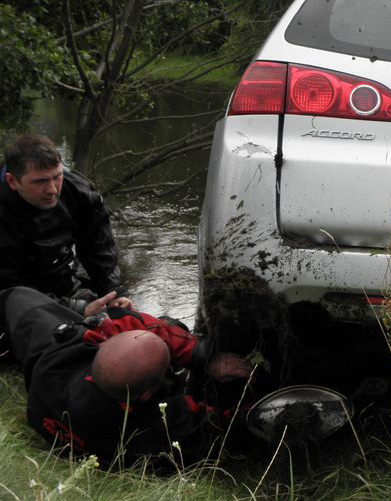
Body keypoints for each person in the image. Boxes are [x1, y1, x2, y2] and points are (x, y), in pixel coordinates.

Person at [1, 286, 253, 465]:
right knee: (171, 324)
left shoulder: (53, 362)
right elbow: (231, 428)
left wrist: (82, 309)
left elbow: (15, 296)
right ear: (146, 395)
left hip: (63, 412)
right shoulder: (163, 433)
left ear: (99, 346)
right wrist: (202, 356)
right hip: (116, 426)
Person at [0, 134, 131, 316]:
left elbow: (98, 250)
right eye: (40, 181)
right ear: (12, 181)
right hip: (14, 301)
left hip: (65, 286)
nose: (52, 190)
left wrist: (115, 293)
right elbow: (9, 285)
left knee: (129, 320)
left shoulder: (79, 193)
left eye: (57, 177)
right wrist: (75, 309)